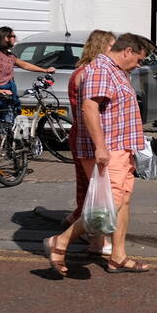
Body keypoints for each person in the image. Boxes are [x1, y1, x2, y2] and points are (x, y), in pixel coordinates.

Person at [43, 33, 154, 276]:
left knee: (122, 202)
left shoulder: (115, 70)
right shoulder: (101, 69)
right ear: (127, 51)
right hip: (109, 149)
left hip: (121, 148)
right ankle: (59, 242)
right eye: (139, 59)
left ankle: (117, 257)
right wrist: (100, 147)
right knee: (106, 208)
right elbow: (89, 107)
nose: (139, 65)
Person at [0, 26, 56, 176]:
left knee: (3, 133)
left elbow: (24, 64)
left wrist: (44, 70)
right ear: (4, 37)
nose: (15, 38)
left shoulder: (9, 55)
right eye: (12, 36)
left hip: (8, 94)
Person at [61, 29, 115, 256]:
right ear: (101, 46)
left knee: (89, 187)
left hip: (83, 136)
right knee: (97, 189)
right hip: (90, 137)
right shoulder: (89, 73)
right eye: (112, 46)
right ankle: (95, 240)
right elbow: (91, 109)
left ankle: (82, 226)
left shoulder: (82, 71)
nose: (115, 51)